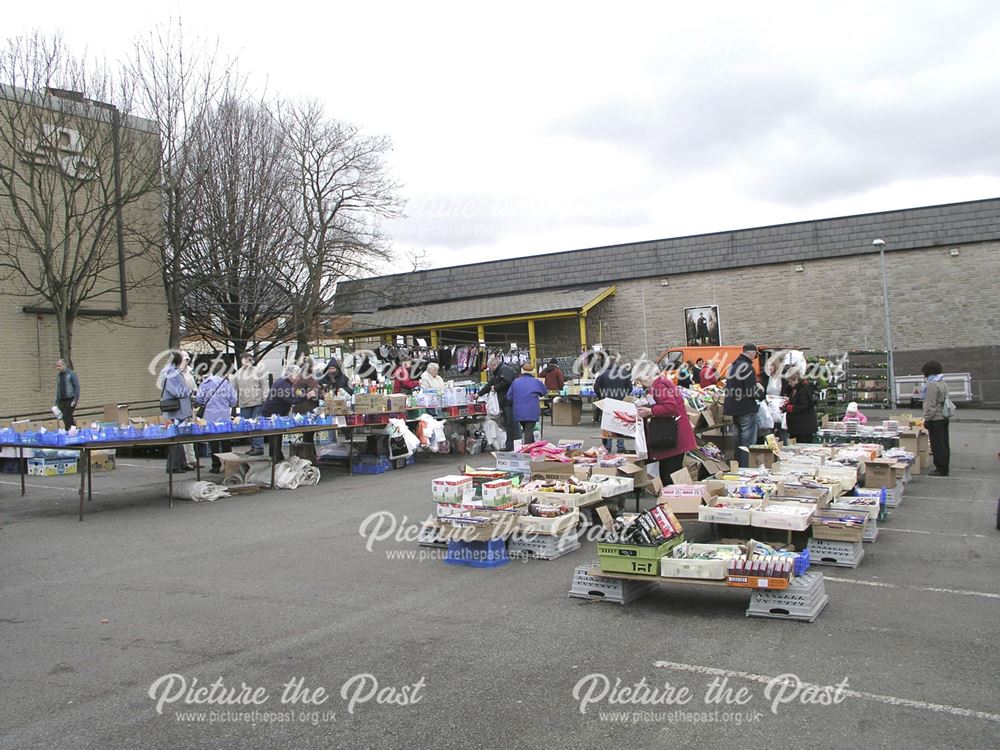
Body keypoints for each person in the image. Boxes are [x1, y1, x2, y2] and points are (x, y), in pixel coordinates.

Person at [635, 366, 696, 484]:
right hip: (674, 434)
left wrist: (650, 411)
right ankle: (674, 500)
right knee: (671, 473)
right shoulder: (661, 383)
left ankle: (673, 500)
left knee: (669, 475)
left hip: (673, 436)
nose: (641, 383)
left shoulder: (659, 386)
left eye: (641, 380)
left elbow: (670, 407)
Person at [196, 361, 239, 473]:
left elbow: (199, 399)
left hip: (209, 417)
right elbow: (233, 401)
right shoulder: (227, 384)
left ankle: (215, 465)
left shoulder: (205, 383)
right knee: (226, 442)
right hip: (224, 416)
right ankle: (228, 465)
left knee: (213, 442)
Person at [722, 344, 760, 466]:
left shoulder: (732, 366)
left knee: (738, 441)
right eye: (756, 355)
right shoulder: (747, 367)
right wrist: (761, 392)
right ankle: (745, 468)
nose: (755, 357)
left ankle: (737, 467)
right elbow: (751, 391)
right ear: (752, 353)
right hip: (746, 408)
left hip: (733, 408)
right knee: (747, 442)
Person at [262, 365, 310, 460]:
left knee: (277, 438)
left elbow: (295, 393)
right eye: (297, 376)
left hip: (277, 413)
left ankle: (276, 459)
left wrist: (302, 393)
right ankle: (275, 460)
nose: (298, 378)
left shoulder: (287, 382)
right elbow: (292, 399)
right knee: (275, 438)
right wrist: (306, 396)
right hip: (272, 413)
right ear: (291, 375)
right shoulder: (282, 384)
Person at [160, 351, 193, 474]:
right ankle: (174, 465)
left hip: (176, 410)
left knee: (178, 436)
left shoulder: (169, 371)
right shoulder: (172, 373)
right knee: (177, 437)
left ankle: (181, 463)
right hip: (176, 410)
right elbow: (176, 390)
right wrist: (187, 392)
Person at [478, 355, 520, 451]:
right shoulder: (498, 372)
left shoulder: (505, 370)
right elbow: (490, 384)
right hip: (505, 402)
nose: (491, 370)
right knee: (508, 424)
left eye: (491, 368)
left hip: (509, 401)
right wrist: (479, 393)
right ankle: (510, 444)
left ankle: (513, 445)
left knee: (511, 424)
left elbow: (507, 381)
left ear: (494, 365)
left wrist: (496, 387)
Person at [594, 355, 633, 453]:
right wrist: (623, 396)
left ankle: (608, 446)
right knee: (620, 424)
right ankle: (620, 446)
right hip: (620, 403)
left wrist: (601, 397)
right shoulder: (624, 373)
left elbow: (596, 388)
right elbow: (630, 388)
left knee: (608, 425)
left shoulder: (602, 374)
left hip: (607, 403)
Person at [232, 353, 269, 455]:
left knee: (256, 425)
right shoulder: (238, 374)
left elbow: (264, 386)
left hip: (257, 403)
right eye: (244, 360)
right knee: (248, 426)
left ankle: (258, 447)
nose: (246, 362)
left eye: (248, 360)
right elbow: (234, 389)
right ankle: (254, 446)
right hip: (244, 403)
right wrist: (235, 402)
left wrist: (264, 399)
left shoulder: (258, 372)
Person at [921, 360, 951, 476]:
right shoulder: (942, 382)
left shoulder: (931, 384)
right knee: (944, 443)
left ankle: (940, 468)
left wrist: (927, 419)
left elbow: (930, 404)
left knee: (937, 444)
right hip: (943, 416)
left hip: (935, 418)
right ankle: (945, 466)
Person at [507, 363, 548, 444]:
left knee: (527, 430)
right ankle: (527, 450)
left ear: (522, 371)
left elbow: (509, 396)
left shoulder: (515, 382)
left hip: (518, 412)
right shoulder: (536, 382)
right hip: (531, 411)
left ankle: (531, 446)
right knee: (529, 431)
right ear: (533, 372)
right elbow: (543, 392)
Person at [781, 370, 818, 444]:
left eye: (790, 381)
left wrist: (789, 408)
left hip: (803, 427)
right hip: (796, 426)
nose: (789, 383)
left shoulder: (804, 389)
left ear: (795, 380)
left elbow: (803, 405)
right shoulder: (794, 389)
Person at [54, 358, 80, 429]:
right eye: (57, 366)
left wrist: (75, 399)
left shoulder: (71, 374)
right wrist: (56, 402)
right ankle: (74, 430)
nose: (58, 368)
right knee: (68, 416)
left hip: (70, 398)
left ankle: (68, 431)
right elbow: (58, 389)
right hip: (62, 400)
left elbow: (77, 386)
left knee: (66, 416)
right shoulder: (58, 376)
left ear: (63, 365)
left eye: (59, 366)